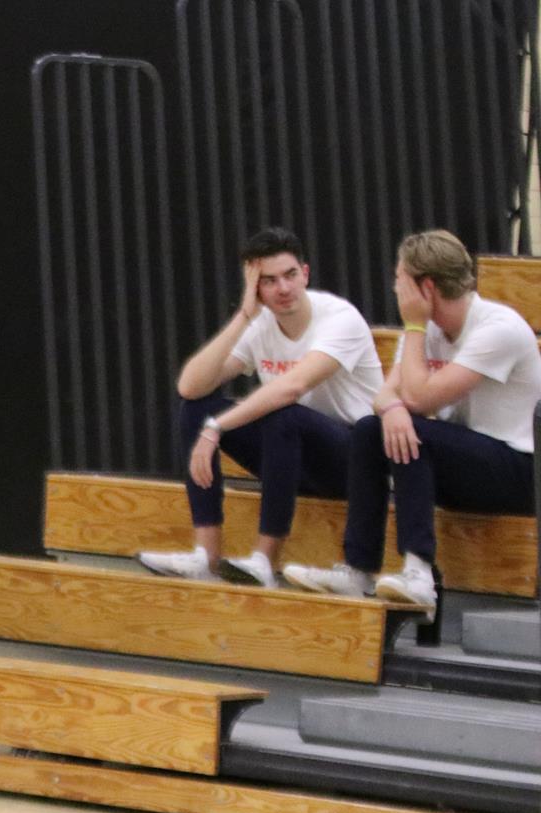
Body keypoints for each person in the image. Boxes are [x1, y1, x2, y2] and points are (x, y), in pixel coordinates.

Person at [284, 230, 541, 615]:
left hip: (521, 471)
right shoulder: (425, 329)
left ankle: (419, 573)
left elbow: (419, 398)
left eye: (399, 279)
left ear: (426, 287)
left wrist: (414, 335)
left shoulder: (497, 328)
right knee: (372, 429)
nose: (394, 288)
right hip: (467, 461)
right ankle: (359, 569)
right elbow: (383, 396)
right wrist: (394, 409)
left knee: (412, 431)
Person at [138, 227, 380, 588]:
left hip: (354, 463)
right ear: (255, 288)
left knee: (282, 414)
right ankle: (206, 556)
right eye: (268, 281)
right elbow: (190, 385)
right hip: (291, 459)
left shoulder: (340, 318)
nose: (283, 288)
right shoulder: (261, 322)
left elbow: (292, 388)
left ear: (306, 274)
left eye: (290, 275)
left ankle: (264, 561)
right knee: (196, 408)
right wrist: (244, 316)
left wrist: (217, 427)